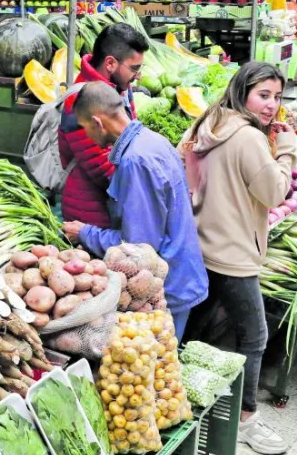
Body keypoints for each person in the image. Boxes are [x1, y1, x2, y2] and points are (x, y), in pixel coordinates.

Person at [178, 62, 295, 455]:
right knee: (255, 335)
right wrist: (289, 151)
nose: (272, 106)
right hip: (233, 254)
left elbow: (186, 168)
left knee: (195, 324)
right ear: (243, 91)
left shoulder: (208, 121)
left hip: (201, 244)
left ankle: (179, 392)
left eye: (277, 97)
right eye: (264, 95)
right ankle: (246, 420)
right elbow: (275, 192)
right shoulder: (247, 138)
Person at [61, 82, 207, 338]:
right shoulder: (151, 141)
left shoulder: (134, 161)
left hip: (168, 286)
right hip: (181, 273)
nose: (87, 136)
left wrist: (85, 233)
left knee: (161, 369)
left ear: (98, 122)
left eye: (85, 128)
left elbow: (140, 249)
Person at [57, 23, 150, 228]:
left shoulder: (121, 88)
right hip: (91, 215)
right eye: (134, 68)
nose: (139, 75)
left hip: (110, 207)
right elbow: (103, 169)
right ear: (110, 64)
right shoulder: (81, 101)